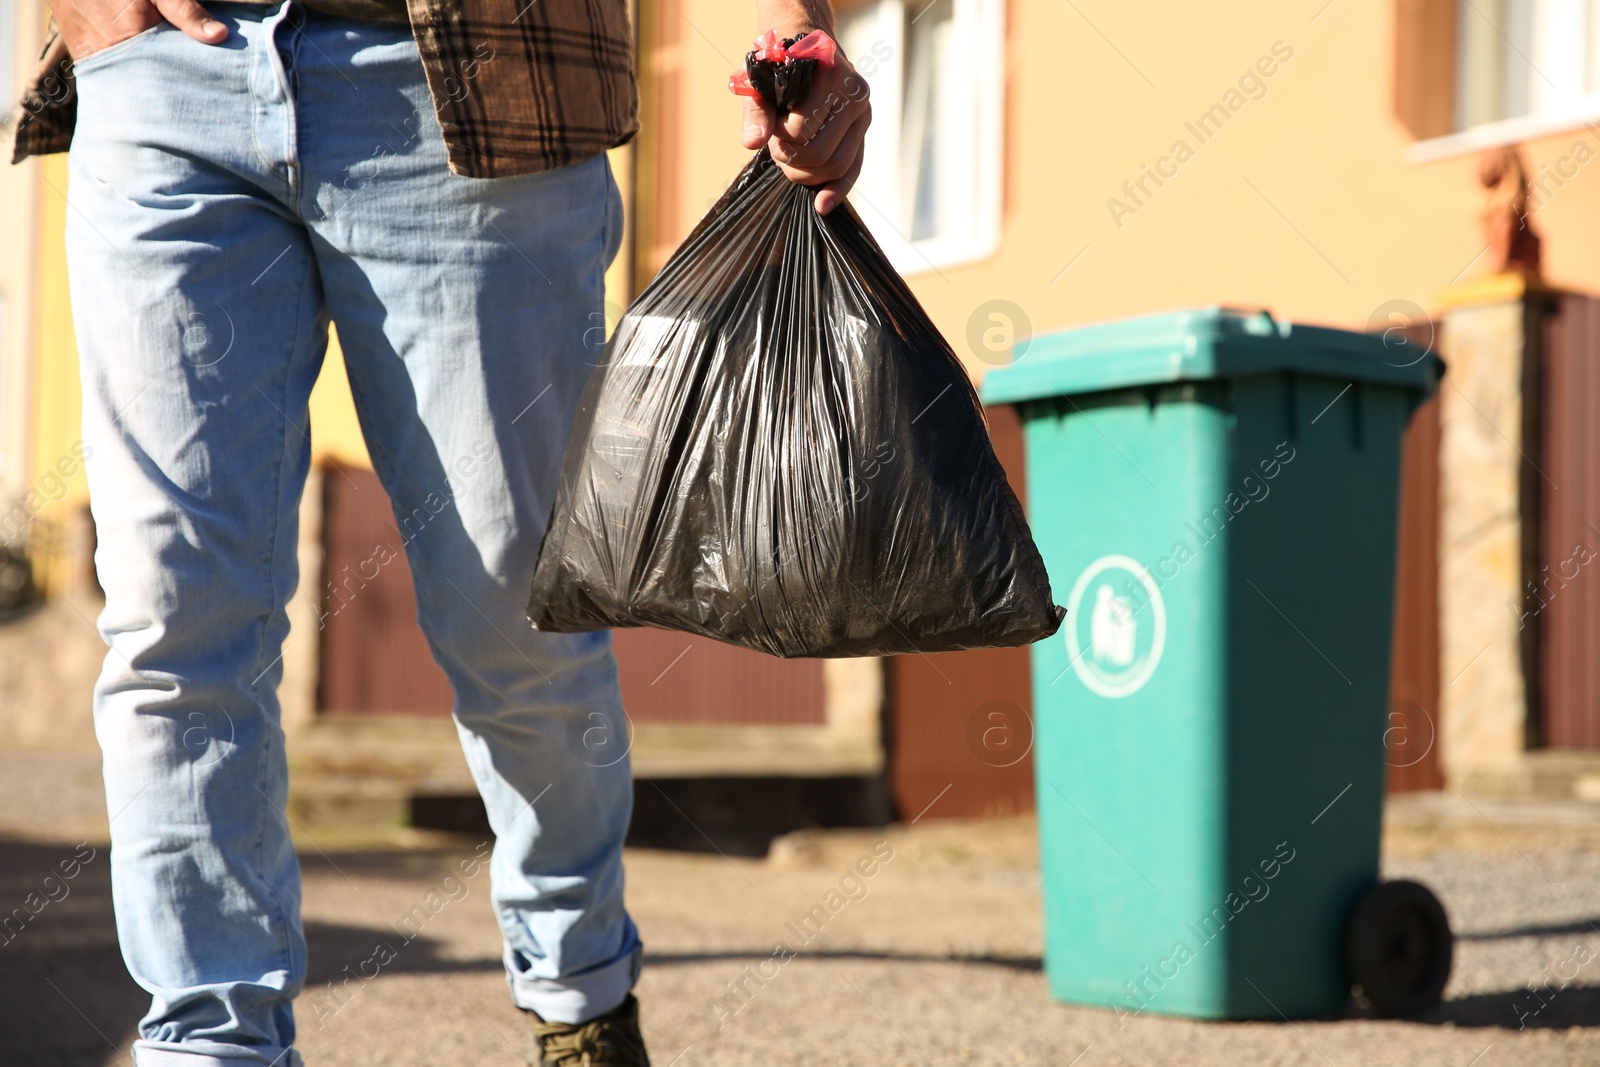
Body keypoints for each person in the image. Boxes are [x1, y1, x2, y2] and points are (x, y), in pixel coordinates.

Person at [9, 0, 869, 1062]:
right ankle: (209, 1038)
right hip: (166, 86)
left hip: (473, 75)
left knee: (515, 617)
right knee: (174, 618)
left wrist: (799, 20)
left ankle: (577, 988)